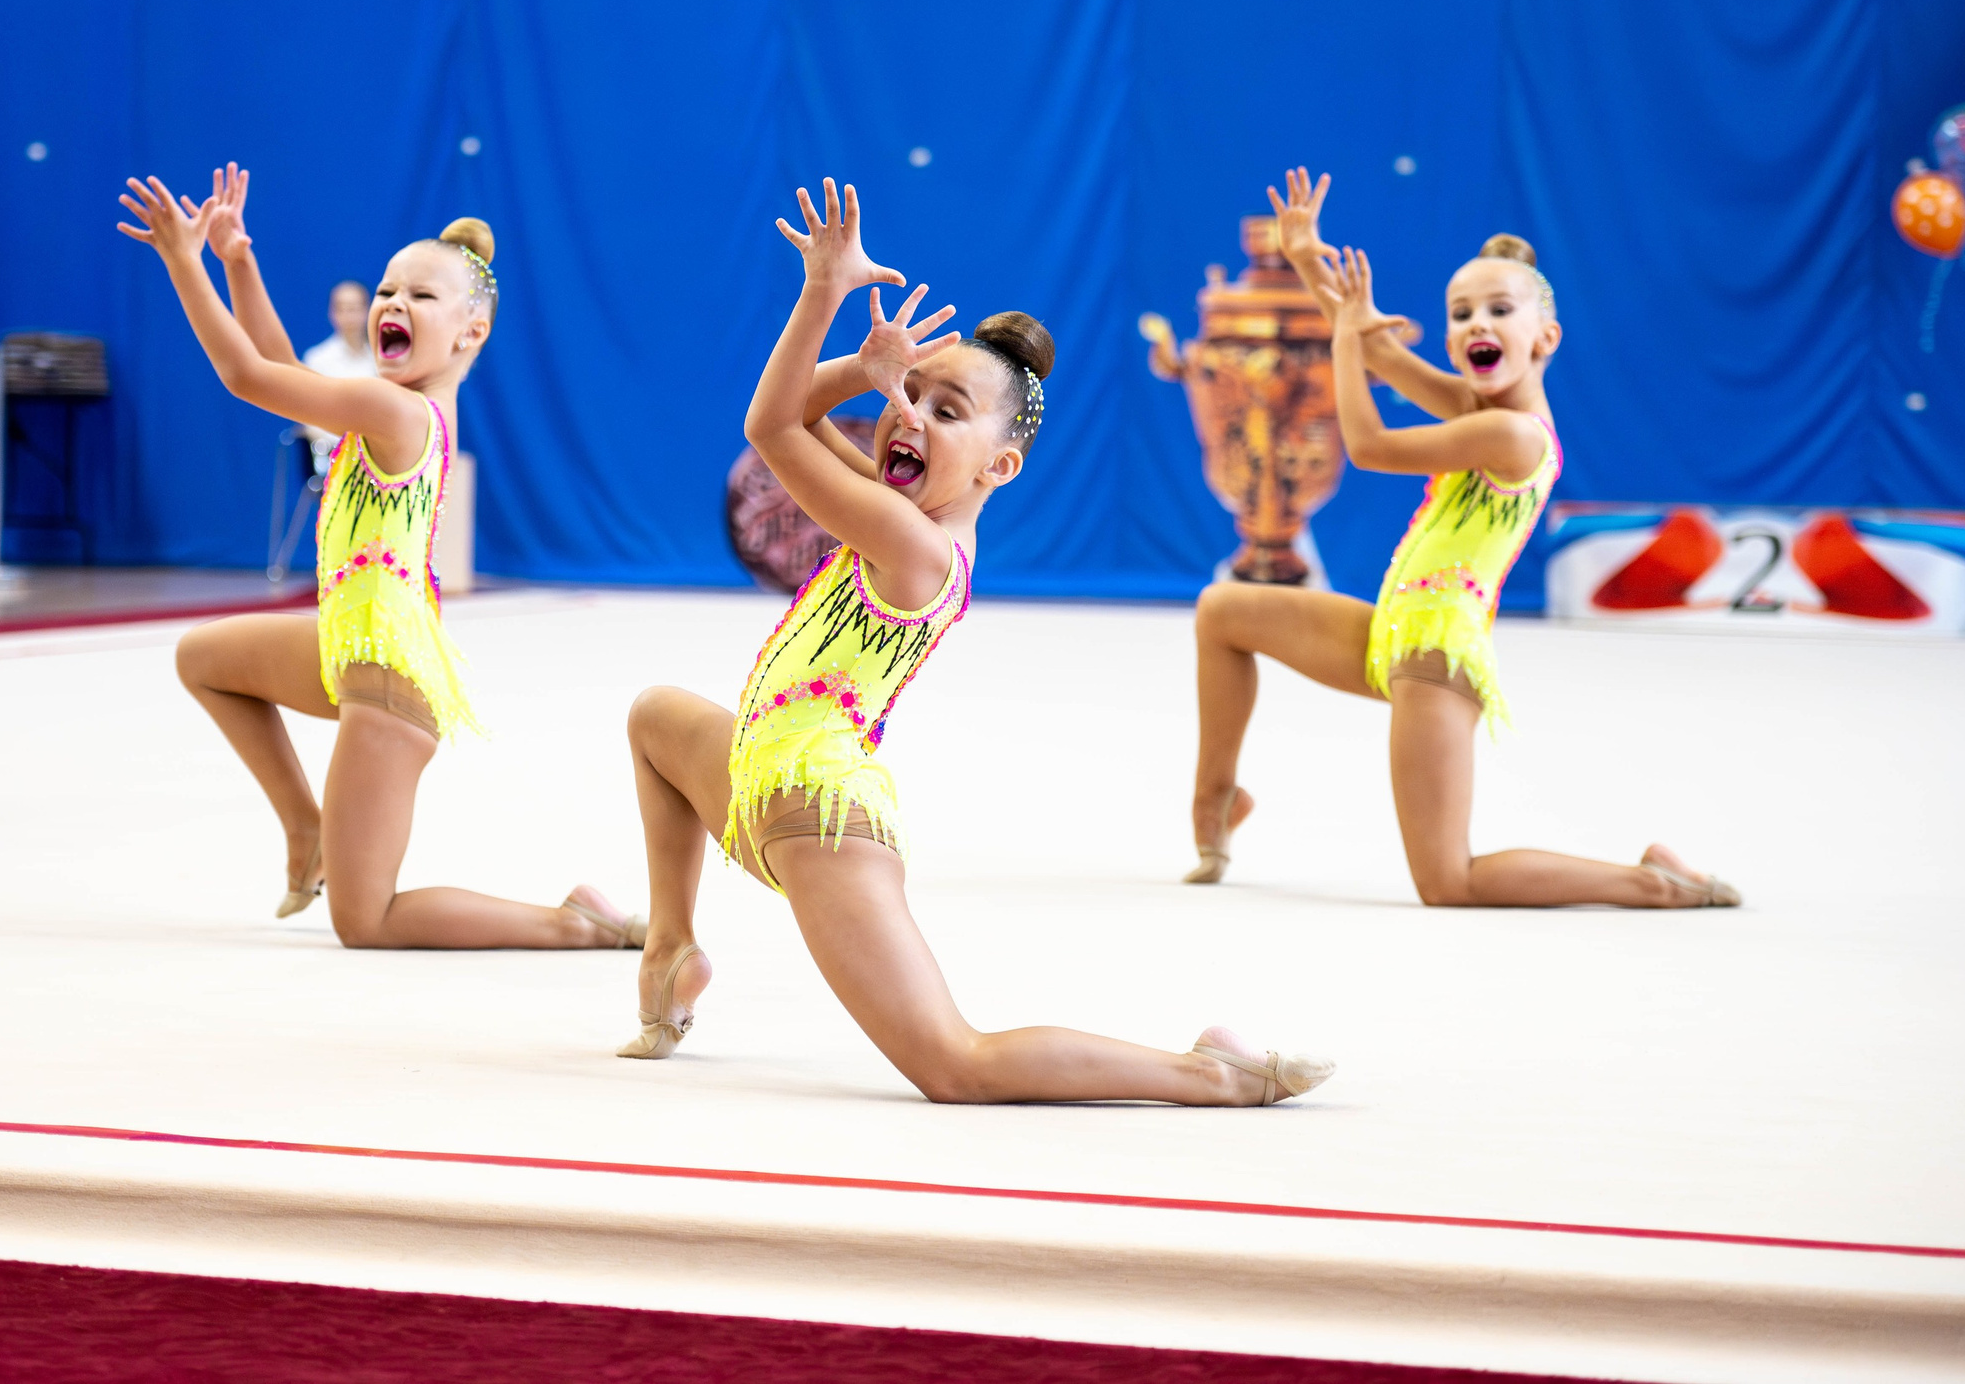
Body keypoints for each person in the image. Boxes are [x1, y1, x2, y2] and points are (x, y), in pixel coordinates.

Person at [618, 178, 1333, 1106]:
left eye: (945, 411)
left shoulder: (912, 545)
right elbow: (795, 418)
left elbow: (767, 426)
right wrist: (865, 370)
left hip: (817, 814)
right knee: (657, 717)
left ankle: (1209, 1071)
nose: (906, 414)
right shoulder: (898, 508)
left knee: (957, 1062)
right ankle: (671, 946)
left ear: (1001, 466)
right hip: (761, 773)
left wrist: (821, 294)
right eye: (906, 396)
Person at [1182, 167, 1737, 908]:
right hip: (1393, 635)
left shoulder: (1513, 436)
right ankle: (1216, 797)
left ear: (1545, 336)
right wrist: (1310, 259)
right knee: (1224, 610)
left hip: (1437, 658)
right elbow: (1381, 356)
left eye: (1498, 309)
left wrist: (1346, 338)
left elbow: (1370, 444)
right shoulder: (1476, 407)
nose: (1476, 323)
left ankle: (1651, 881)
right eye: (1461, 310)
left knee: (1449, 880)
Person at [122, 162, 642, 949]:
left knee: (366, 919)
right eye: (387, 291)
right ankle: (307, 829)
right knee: (205, 657)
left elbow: (245, 376)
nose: (392, 304)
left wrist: (183, 261)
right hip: (353, 647)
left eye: (421, 296)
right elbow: (288, 374)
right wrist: (237, 260)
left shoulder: (393, 410)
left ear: (472, 330)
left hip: (387, 684)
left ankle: (574, 922)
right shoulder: (404, 406)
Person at [298, 280, 375, 478]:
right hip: (335, 454)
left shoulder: (379, 360)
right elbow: (308, 419)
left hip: (376, 453)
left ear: (367, 311)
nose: (349, 316)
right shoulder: (317, 359)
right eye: (343, 309)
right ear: (332, 313)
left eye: (355, 308)